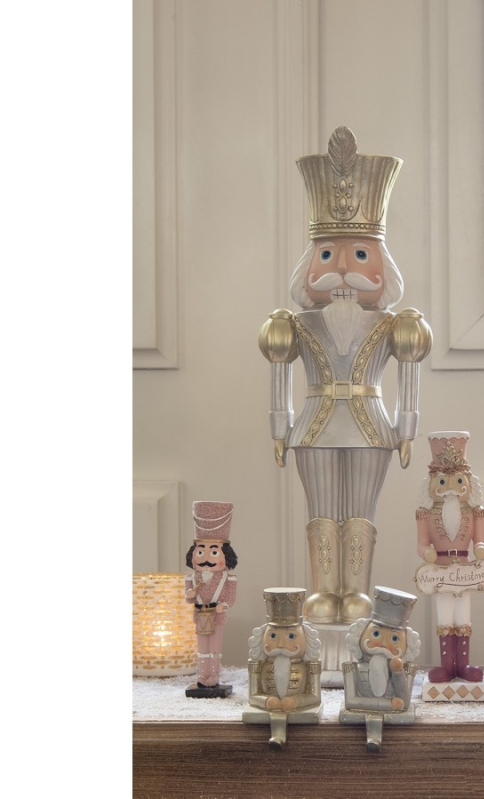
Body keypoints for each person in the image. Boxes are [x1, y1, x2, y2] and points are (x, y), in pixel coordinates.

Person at [259, 127, 432, 626]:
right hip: (312, 426)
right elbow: (278, 375)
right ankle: (322, 591)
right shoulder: (294, 323)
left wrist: (406, 430)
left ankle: (354, 592)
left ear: (381, 266)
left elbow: (409, 375)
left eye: (359, 255)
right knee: (320, 509)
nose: (341, 270)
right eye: (327, 255)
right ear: (309, 265)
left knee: (360, 511)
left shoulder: (394, 324)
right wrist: (278, 429)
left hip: (372, 427)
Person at [416, 432, 484, 682]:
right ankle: (447, 665)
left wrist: (480, 549)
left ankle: (463, 665)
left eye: (457, 481)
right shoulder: (425, 514)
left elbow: (480, 540)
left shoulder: (474, 512)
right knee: (445, 617)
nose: (450, 490)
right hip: (440, 571)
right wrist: (427, 553)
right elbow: (421, 544)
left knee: (463, 616)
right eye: (442, 482)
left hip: (465, 570)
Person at [341, 586, 420, 752]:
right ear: (361, 634)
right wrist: (389, 705)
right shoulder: (352, 668)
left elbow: (404, 703)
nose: (384, 643)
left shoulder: (402, 670)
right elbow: (351, 702)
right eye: (376, 634)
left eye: (394, 638)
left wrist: (397, 672)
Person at [246, 588, 322, 749]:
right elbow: (252, 696)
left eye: (291, 636)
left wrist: (296, 701)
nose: (280, 644)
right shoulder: (259, 664)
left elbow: (315, 697)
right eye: (273, 636)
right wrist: (267, 701)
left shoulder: (308, 665)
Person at [184, 501, 238, 695]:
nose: (206, 557)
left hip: (217, 615)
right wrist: (190, 595)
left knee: (214, 647)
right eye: (201, 551)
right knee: (202, 647)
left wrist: (224, 605)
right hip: (200, 615)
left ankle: (213, 675)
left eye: (214, 551)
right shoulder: (192, 578)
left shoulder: (227, 578)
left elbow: (231, 598)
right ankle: (202, 675)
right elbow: (189, 598)